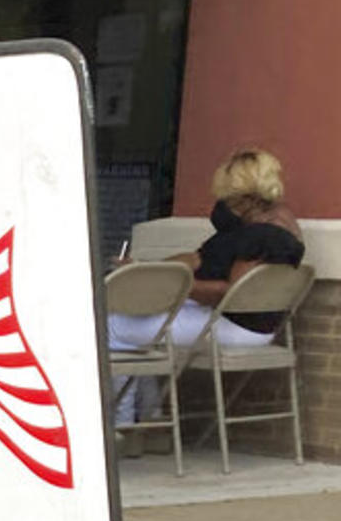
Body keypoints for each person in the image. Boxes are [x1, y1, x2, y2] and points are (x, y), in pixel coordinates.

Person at [108, 147, 298, 427]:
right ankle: (149, 421)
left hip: (237, 327)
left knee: (113, 327)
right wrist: (147, 268)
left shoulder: (259, 237)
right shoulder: (277, 222)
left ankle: (124, 425)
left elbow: (231, 292)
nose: (222, 203)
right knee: (138, 326)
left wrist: (178, 287)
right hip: (252, 325)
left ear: (244, 197)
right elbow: (198, 258)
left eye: (228, 197)